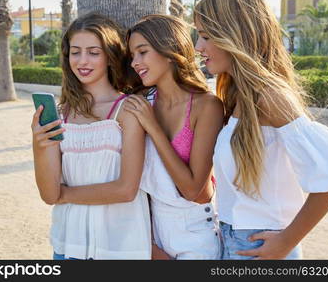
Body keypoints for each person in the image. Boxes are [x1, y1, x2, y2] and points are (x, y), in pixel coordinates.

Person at [194, 0, 328, 260]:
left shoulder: (269, 96)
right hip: (233, 239)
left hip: (260, 245)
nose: (198, 46)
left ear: (235, 35)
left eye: (206, 36)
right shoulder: (237, 94)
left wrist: (286, 241)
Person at [31, 13, 151, 260]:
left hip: (118, 248)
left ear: (109, 56)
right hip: (68, 246)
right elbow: (48, 194)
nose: (82, 61)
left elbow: (126, 190)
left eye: (93, 53)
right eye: (75, 52)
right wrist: (38, 145)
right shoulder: (60, 113)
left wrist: (65, 194)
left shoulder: (128, 109)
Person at [124, 14, 224, 259]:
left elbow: (192, 190)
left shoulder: (206, 106)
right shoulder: (140, 103)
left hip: (195, 233)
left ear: (169, 50)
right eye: (132, 55)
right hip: (151, 232)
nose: (135, 63)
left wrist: (153, 127)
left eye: (142, 52)